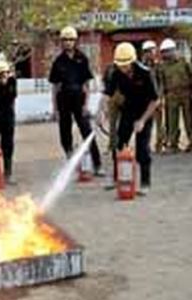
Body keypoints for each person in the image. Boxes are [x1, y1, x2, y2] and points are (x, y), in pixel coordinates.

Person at [98, 42, 160, 194]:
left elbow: (155, 100)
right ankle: (116, 178)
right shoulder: (115, 72)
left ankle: (145, 183)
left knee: (142, 150)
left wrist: (142, 121)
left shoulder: (146, 73)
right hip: (128, 111)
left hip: (144, 112)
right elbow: (107, 94)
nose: (123, 68)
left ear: (133, 61)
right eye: (120, 65)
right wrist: (101, 111)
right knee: (118, 145)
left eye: (126, 65)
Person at [48, 26, 103, 176]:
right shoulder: (58, 62)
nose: (68, 43)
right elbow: (55, 87)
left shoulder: (82, 59)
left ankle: (97, 165)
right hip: (63, 101)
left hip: (79, 100)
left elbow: (86, 85)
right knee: (65, 135)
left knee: (87, 131)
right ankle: (71, 161)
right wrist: (55, 109)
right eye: (65, 40)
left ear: (75, 41)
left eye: (71, 40)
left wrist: (86, 105)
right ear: (61, 42)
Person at [157, 38, 192, 153]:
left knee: (189, 119)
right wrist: (161, 97)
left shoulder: (184, 62)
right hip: (171, 95)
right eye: (163, 52)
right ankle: (173, 144)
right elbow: (162, 83)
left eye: (167, 51)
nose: (165, 54)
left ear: (173, 50)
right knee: (171, 121)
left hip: (186, 93)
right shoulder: (162, 66)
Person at [141, 40, 164, 153]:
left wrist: (160, 97)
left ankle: (159, 145)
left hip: (156, 98)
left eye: (152, 51)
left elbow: (161, 83)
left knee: (159, 124)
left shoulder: (159, 66)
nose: (150, 54)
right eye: (148, 52)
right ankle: (145, 145)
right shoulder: (140, 67)